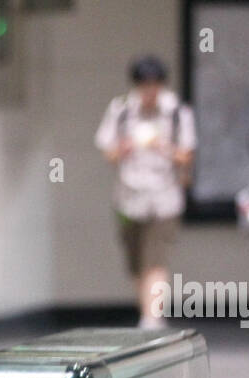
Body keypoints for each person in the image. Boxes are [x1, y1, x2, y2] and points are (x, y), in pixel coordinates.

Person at [95, 55, 197, 328]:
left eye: (154, 84)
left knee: (156, 259)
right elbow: (108, 150)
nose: (150, 91)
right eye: (144, 84)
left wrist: (163, 147)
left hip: (164, 197)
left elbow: (187, 155)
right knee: (136, 261)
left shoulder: (177, 112)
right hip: (129, 197)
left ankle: (152, 318)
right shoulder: (121, 110)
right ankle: (148, 313)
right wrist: (124, 148)